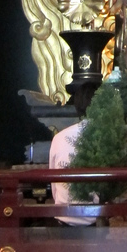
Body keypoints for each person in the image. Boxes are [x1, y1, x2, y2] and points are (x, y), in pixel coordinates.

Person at [48, 81, 98, 224]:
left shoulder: (59, 138)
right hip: (95, 222)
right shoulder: (105, 137)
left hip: (63, 218)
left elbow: (54, 187)